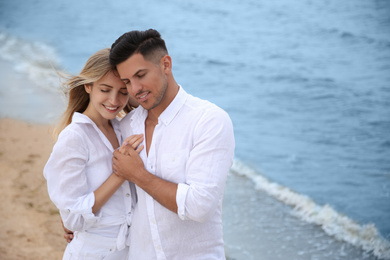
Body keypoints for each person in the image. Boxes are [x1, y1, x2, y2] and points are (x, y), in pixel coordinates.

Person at [111, 29, 235, 259]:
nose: (135, 89)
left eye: (141, 75)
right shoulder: (126, 126)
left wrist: (139, 175)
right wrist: (75, 216)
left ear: (165, 64)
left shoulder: (208, 121)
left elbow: (200, 206)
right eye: (127, 81)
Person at [44, 48, 143, 259]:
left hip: (129, 251)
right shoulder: (75, 137)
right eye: (105, 89)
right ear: (88, 86)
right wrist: (121, 173)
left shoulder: (124, 129)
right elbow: (73, 219)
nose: (114, 100)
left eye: (123, 92)